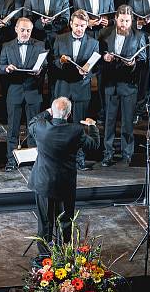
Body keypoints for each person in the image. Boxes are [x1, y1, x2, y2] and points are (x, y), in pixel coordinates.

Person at [27, 97, 100, 253]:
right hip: (65, 184)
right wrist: (92, 126)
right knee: (65, 222)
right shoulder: (76, 131)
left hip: (44, 182)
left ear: (53, 113)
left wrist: (47, 113)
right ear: (69, 114)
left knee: (45, 223)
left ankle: (44, 257)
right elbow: (93, 145)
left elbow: (32, 121)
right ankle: (62, 255)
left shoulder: (40, 127)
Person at [0, 17, 48, 171]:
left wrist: (40, 71)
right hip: (14, 91)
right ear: (16, 29)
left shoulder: (39, 45)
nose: (25, 33)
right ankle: (11, 160)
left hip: (33, 91)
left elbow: (44, 64)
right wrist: (6, 68)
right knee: (12, 129)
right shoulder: (7, 46)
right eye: (23, 30)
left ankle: (34, 159)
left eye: (28, 30)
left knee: (33, 128)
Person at [52, 11, 100, 170]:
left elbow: (95, 67)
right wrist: (60, 61)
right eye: (77, 25)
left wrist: (87, 72)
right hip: (63, 86)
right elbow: (53, 62)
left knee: (79, 127)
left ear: (87, 26)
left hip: (81, 88)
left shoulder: (93, 43)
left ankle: (79, 159)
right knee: (60, 125)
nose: (79, 29)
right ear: (71, 24)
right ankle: (60, 159)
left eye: (82, 26)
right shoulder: (60, 39)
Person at [100, 5, 147, 166]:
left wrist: (133, 63)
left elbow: (143, 60)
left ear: (131, 21)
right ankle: (108, 153)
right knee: (109, 121)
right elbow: (97, 56)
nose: (124, 24)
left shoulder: (139, 36)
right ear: (116, 19)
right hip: (110, 84)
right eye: (121, 21)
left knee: (128, 122)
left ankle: (128, 153)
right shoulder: (105, 34)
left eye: (127, 21)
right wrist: (105, 58)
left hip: (129, 85)